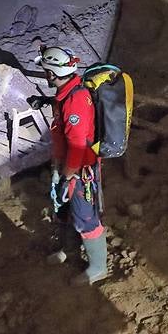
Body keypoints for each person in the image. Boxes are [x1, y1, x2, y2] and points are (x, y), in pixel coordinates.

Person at [38, 45, 108, 285]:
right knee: (65, 211)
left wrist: (68, 176)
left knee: (85, 217)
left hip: (80, 170)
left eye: (46, 70)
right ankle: (69, 250)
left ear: (52, 73)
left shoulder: (75, 101)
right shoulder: (64, 94)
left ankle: (99, 267)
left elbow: (78, 146)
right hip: (67, 164)